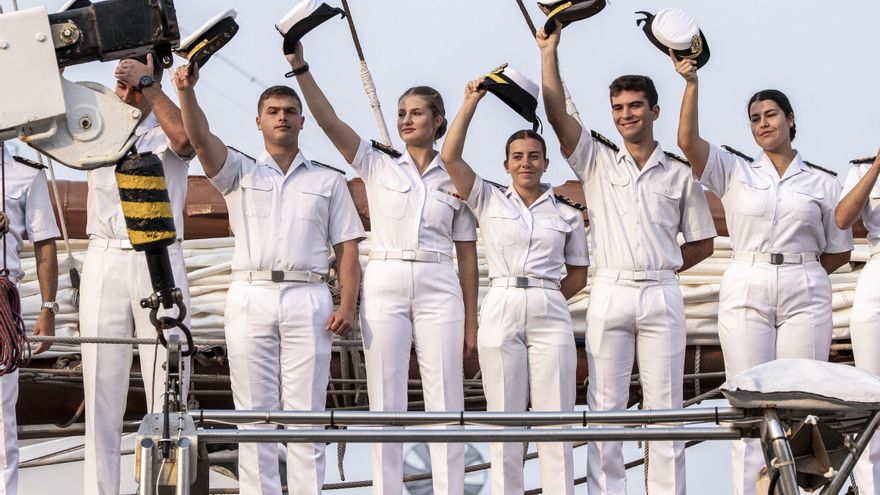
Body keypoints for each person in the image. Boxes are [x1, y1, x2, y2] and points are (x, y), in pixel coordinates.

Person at [288, 41, 479, 495]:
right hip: (388, 279)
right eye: (400, 113)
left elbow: (467, 256)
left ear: (438, 120)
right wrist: (300, 66)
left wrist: (473, 322)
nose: (406, 120)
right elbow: (328, 120)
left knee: (446, 400)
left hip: (440, 282)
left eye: (416, 112)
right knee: (385, 399)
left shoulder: (459, 177)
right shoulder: (376, 163)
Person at [538, 22, 717, 495]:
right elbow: (556, 117)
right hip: (611, 289)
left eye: (635, 105)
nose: (625, 114)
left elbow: (703, 243)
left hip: (660, 290)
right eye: (617, 108)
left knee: (666, 409)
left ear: (654, 110)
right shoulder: (595, 160)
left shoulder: (680, 175)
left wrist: (661, 265)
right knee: (605, 406)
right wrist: (548, 52)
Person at [174, 61, 364, 495]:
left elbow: (348, 249)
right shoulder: (239, 172)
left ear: (301, 121)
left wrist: (348, 305)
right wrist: (186, 92)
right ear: (258, 120)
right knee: (253, 412)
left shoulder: (328, 181)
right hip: (251, 293)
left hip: (308, 294)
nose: (282, 117)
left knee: (307, 411)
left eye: (290, 111)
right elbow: (199, 139)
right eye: (274, 110)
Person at [672, 53, 853, 495]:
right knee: (749, 399)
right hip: (747, 280)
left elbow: (838, 251)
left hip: (804, 283)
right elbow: (687, 141)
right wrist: (691, 83)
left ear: (791, 120)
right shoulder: (734, 170)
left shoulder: (823, 182)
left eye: (771, 115)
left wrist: (802, 271)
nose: (763, 124)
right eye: (754, 119)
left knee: (802, 399)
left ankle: (801, 489)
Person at [441, 79, 589, 495]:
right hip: (502, 299)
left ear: (546, 164)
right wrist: (470, 101)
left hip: (548, 302)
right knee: (503, 417)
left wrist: (546, 299)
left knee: (555, 416)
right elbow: (449, 155)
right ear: (506, 164)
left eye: (534, 157)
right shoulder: (488, 198)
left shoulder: (568, 213)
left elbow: (578, 271)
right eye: (518, 157)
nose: (526, 163)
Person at [80, 53, 194, 495]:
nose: (123, 94)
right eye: (120, 85)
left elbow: (185, 143)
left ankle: (163, 489)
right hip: (105, 253)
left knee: (166, 382)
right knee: (101, 389)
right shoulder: (97, 123)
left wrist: (148, 83)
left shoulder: (168, 122)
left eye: (131, 86)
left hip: (160, 254)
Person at [0, 143, 59, 495]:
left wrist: (48, 307)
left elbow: (44, 243)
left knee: (2, 429)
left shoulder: (26, 172)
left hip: (1, 310)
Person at [835, 153, 880, 493]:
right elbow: (843, 219)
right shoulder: (863, 168)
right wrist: (877, 166)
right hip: (877, 269)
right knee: (870, 394)